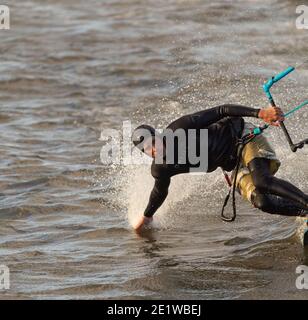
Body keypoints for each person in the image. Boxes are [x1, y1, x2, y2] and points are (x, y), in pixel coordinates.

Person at [132, 104, 308, 232]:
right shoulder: (161, 168)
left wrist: (261, 113)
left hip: (243, 138)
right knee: (262, 201)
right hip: (233, 165)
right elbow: (159, 192)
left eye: (153, 142)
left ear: (158, 134)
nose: (154, 150)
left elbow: (222, 110)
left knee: (262, 181)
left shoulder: (181, 127)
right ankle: (304, 213)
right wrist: (147, 216)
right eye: (148, 149)